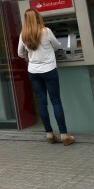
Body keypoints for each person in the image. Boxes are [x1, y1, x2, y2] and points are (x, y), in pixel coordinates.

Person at [18, 8, 75, 146]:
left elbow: (20, 53)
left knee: (42, 103)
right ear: (38, 17)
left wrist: (30, 56)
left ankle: (49, 134)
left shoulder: (23, 34)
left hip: (33, 71)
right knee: (56, 101)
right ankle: (64, 135)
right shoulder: (46, 31)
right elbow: (56, 46)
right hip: (49, 70)